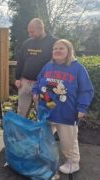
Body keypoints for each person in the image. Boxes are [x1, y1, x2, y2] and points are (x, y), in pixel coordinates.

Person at [32, 39, 94, 177]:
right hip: (47, 111)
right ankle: (46, 159)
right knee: (44, 138)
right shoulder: (48, 66)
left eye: (61, 48)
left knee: (68, 142)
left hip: (66, 113)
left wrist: (82, 108)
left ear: (69, 51)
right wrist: (36, 91)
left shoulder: (78, 68)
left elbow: (86, 90)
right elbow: (39, 80)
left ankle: (72, 162)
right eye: (55, 48)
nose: (57, 51)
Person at [15, 18, 58, 117]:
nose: (30, 34)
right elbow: (20, 61)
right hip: (24, 83)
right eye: (29, 32)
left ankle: (42, 132)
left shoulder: (54, 42)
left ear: (41, 28)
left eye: (32, 32)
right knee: (21, 111)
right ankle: (21, 132)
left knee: (43, 112)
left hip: (43, 85)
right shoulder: (27, 42)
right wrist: (17, 78)